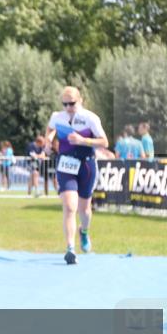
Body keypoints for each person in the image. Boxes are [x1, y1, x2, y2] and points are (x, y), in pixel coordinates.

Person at [45, 86, 108, 265]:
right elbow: (49, 129)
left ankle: (84, 231)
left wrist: (83, 140)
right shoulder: (57, 117)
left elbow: (104, 141)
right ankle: (70, 248)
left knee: (84, 210)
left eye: (71, 103)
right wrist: (48, 141)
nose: (68, 107)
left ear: (80, 100)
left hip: (86, 164)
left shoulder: (90, 118)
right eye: (64, 104)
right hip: (66, 164)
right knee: (69, 206)